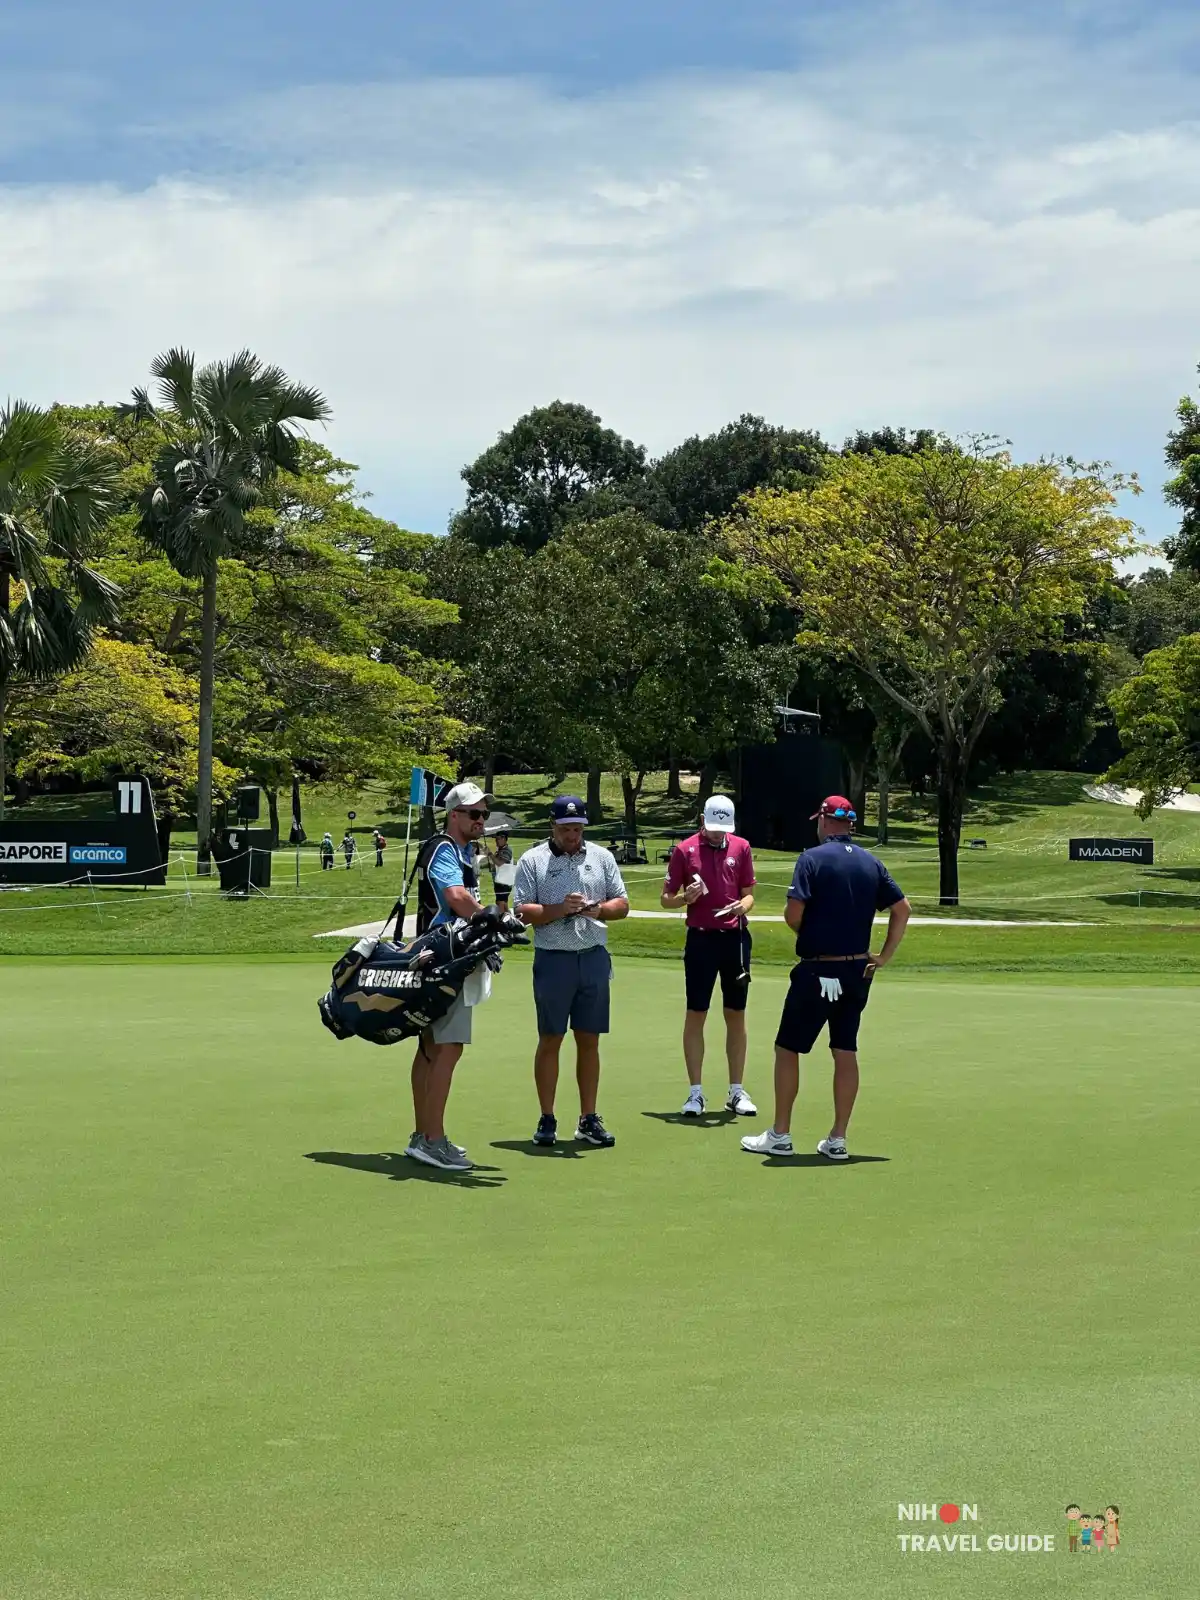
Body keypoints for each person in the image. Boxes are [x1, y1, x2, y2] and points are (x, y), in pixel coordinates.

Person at [741, 796, 911, 1162]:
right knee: (845, 1050)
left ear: (823, 820)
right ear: (849, 823)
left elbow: (793, 913)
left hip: (819, 970)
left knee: (787, 1048)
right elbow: (902, 909)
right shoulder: (871, 862)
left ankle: (781, 1135)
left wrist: (811, 934)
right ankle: (838, 1139)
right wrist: (883, 956)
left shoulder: (811, 859)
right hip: (857, 971)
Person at [513, 795, 629, 1148]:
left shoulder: (601, 857)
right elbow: (522, 912)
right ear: (553, 826)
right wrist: (560, 908)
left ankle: (588, 1118)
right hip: (553, 960)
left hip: (593, 957)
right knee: (551, 1038)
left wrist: (600, 910)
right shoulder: (533, 860)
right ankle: (547, 1117)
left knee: (589, 1040)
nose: (572, 835)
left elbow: (622, 903)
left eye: (578, 829)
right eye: (566, 829)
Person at [404, 782, 492, 1172]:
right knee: (448, 1047)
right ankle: (432, 1141)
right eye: (474, 813)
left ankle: (423, 1135)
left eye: (483, 814)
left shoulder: (462, 851)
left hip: (441, 957)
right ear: (454, 815)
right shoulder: (444, 848)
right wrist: (489, 919)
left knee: (430, 1047)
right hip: (445, 958)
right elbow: (455, 897)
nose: (480, 820)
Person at [660, 794, 758, 1117]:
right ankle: (695, 1094)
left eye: (724, 829)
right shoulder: (684, 850)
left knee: (736, 1014)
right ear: (703, 821)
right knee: (696, 1013)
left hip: (735, 939)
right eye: (714, 827)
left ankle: (736, 1091)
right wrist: (684, 899)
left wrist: (742, 906)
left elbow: (749, 894)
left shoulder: (741, 847)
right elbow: (665, 898)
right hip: (701, 940)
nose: (718, 834)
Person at [489, 832, 515, 910]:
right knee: (503, 903)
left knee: (500, 903)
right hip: (500, 880)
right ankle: (509, 917)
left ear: (504, 839)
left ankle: (502, 918)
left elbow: (499, 863)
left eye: (498, 839)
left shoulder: (507, 850)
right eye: (496, 839)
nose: (496, 841)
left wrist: (490, 854)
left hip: (504, 882)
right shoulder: (500, 850)